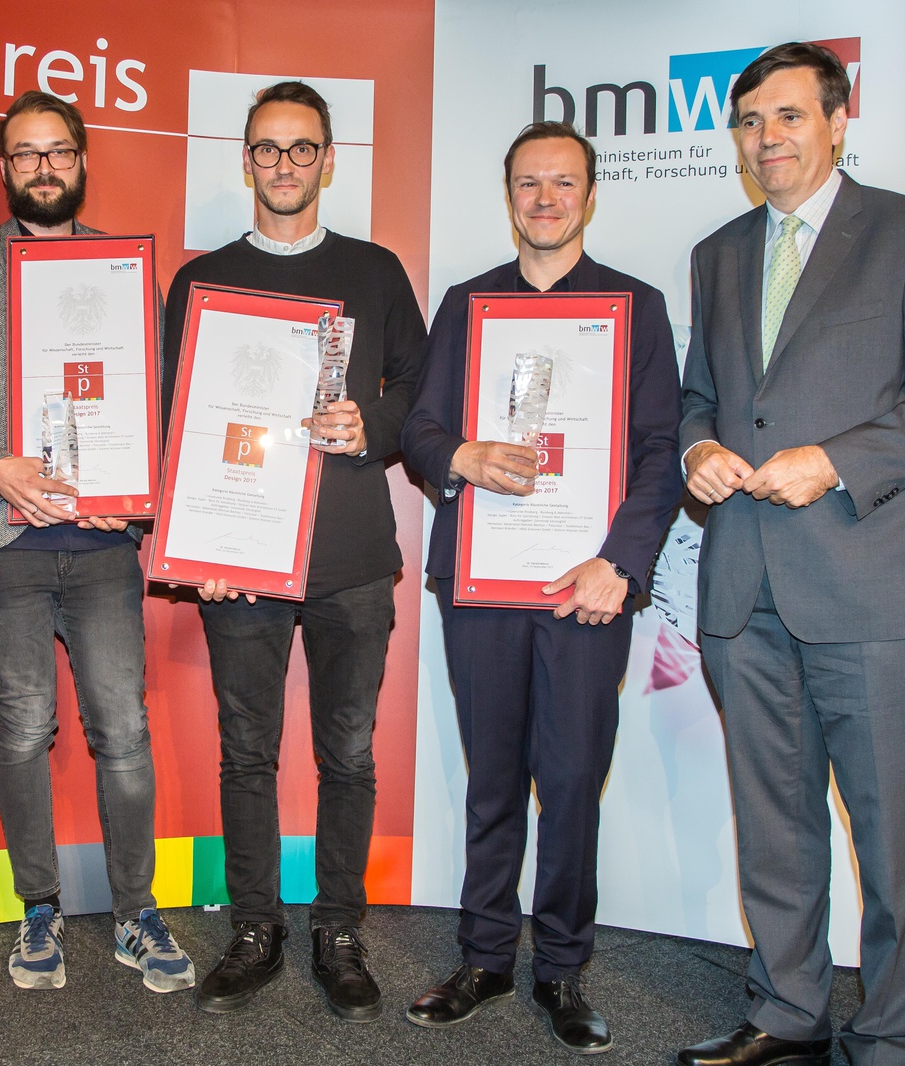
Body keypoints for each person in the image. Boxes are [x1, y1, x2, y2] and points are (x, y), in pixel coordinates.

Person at [677, 43, 905, 1066]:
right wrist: (697, 450)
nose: (765, 138)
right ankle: (787, 1011)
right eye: (749, 122)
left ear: (836, 121)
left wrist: (835, 461)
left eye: (787, 116)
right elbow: (700, 397)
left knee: (894, 835)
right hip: (744, 591)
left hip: (875, 584)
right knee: (774, 827)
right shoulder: (718, 253)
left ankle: (896, 1034)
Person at [399, 121, 683, 1051]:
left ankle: (561, 968)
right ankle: (484, 958)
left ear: (590, 196)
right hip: (483, 581)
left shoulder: (635, 308)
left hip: (585, 586)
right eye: (530, 182)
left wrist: (621, 564)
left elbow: (659, 452)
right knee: (492, 780)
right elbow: (420, 430)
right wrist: (463, 455)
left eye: (564, 182)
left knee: (569, 781)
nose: (546, 198)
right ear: (509, 195)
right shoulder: (466, 305)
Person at [160, 80, 426, 1021]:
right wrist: (197, 544)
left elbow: (423, 391)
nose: (284, 164)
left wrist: (371, 424)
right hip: (240, 558)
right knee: (246, 750)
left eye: (302, 148)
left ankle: (339, 929)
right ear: (246, 162)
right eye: (268, 149)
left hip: (350, 555)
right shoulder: (201, 282)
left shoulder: (375, 271)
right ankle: (256, 927)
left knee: (348, 752)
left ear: (328, 160)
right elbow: (176, 419)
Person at [0, 91, 193, 996]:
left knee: (123, 726)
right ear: (6, 169)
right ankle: (37, 908)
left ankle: (135, 915)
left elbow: (152, 399)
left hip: (103, 544)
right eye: (26, 154)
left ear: (81, 162)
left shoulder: (125, 272)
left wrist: (137, 492)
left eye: (59, 152)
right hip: (8, 543)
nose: (44, 167)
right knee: (23, 724)